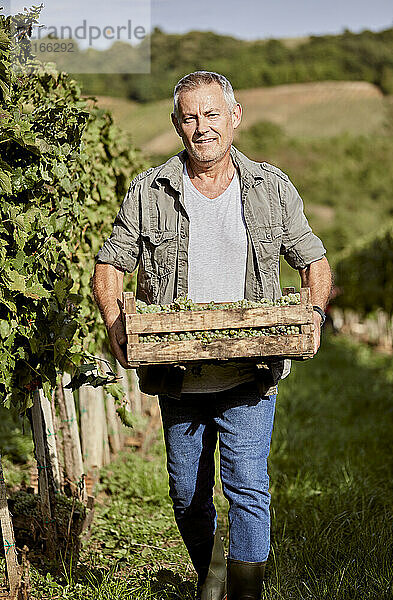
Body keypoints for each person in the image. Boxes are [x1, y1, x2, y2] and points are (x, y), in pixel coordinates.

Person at [93, 71, 332, 600]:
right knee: (188, 497)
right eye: (191, 117)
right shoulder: (149, 191)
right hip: (179, 376)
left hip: (251, 373)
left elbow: (313, 258)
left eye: (212, 115)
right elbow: (110, 264)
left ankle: (245, 594)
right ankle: (211, 574)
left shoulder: (271, 188)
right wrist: (116, 322)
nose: (203, 128)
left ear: (235, 117)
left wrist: (312, 311)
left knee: (248, 489)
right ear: (177, 124)